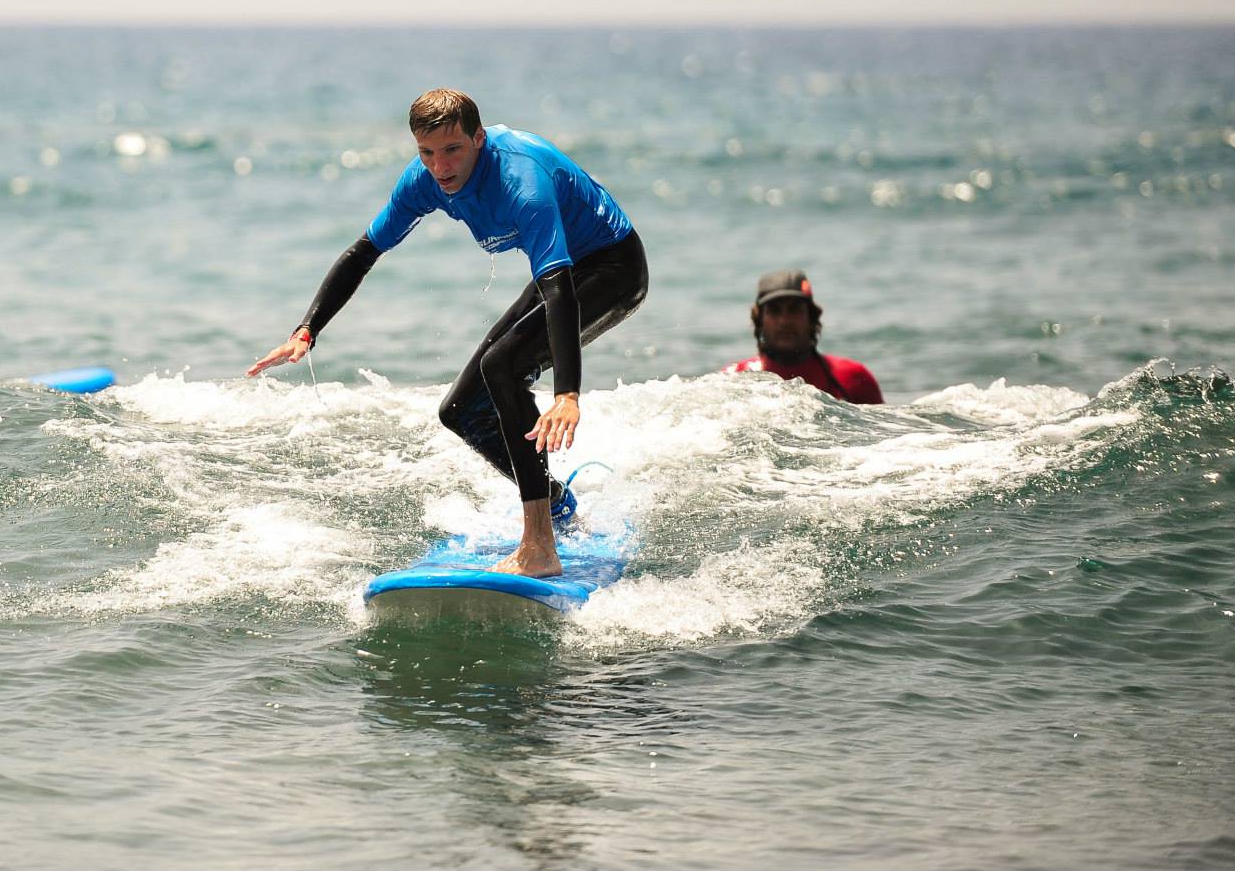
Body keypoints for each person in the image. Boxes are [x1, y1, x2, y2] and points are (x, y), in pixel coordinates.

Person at [247, 88, 648, 579]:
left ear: (478, 138)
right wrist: (306, 330)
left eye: (453, 149)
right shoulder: (424, 181)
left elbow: (560, 288)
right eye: (427, 152)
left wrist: (567, 393)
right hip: (563, 274)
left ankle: (540, 545)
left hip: (612, 266)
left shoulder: (521, 179)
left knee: (502, 365)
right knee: (460, 410)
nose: (441, 166)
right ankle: (558, 505)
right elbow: (364, 252)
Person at [723, 269, 883, 404]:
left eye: (794, 309)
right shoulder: (732, 380)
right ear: (760, 320)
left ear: (811, 317)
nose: (784, 321)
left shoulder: (854, 378)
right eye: (774, 310)